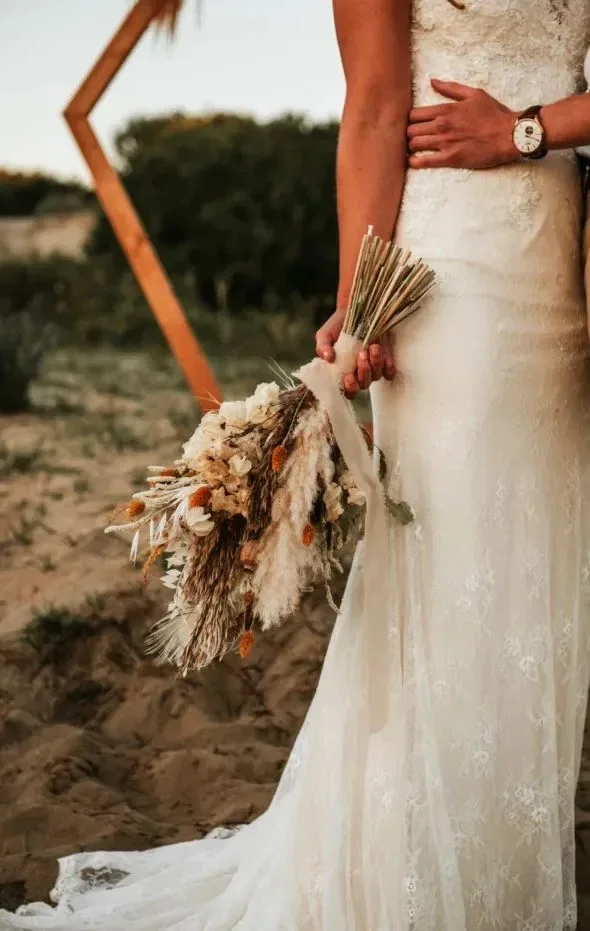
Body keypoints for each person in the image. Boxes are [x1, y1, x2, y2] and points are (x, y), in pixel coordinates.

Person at [4, 0, 590, 928]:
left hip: (559, 273)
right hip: (450, 274)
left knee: (537, 576)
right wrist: (361, 302)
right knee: (449, 576)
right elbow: (371, 109)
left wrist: (529, 130)